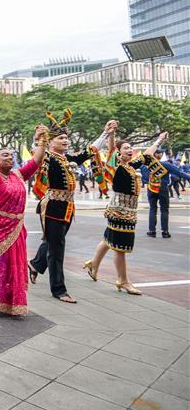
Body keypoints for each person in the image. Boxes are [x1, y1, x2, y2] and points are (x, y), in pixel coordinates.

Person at [29, 113, 115, 303]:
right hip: (52, 208)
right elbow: (36, 155)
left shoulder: (66, 158)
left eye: (67, 137)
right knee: (57, 249)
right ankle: (59, 290)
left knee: (53, 242)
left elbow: (89, 151)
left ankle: (35, 265)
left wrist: (105, 133)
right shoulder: (48, 157)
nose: (66, 140)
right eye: (61, 138)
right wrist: (38, 140)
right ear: (51, 142)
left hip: (67, 207)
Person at [83, 131, 168, 295]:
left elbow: (148, 154)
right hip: (120, 212)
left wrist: (159, 140)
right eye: (126, 148)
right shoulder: (117, 166)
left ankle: (93, 264)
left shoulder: (131, 166)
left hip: (126, 211)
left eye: (131, 148)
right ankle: (122, 280)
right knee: (120, 248)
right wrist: (111, 134)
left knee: (109, 239)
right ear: (119, 152)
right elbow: (111, 148)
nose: (130, 150)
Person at [0, 127, 47, 316]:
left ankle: (6, 295)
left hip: (15, 227)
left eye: (11, 155)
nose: (10, 157)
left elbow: (36, 160)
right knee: (1, 261)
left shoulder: (18, 174)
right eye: (5, 155)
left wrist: (42, 140)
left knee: (14, 263)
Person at [145, 149, 190, 238]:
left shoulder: (147, 165)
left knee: (152, 209)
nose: (162, 154)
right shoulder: (165, 164)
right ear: (157, 154)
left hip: (151, 188)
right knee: (164, 210)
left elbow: (145, 177)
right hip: (163, 187)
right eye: (160, 153)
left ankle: (152, 231)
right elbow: (179, 173)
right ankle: (165, 232)